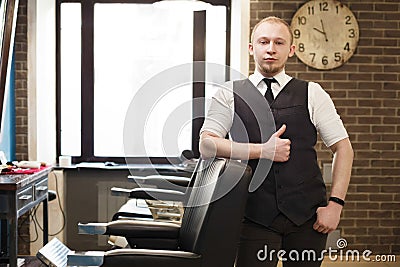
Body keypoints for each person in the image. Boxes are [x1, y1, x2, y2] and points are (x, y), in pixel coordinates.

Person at [199, 16, 353, 266]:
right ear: (252, 48)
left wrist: (335, 205)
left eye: (279, 42)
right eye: (264, 41)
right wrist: (263, 150)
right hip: (252, 216)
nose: (271, 48)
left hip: (307, 217)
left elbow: (343, 148)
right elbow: (206, 145)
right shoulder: (229, 93)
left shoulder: (312, 92)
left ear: (291, 50)